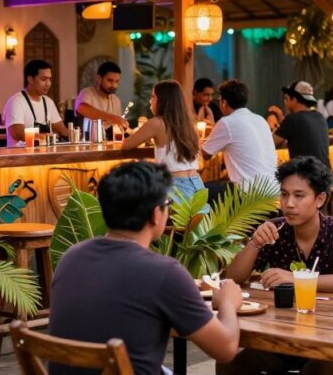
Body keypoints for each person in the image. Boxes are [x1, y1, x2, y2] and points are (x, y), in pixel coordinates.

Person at [49, 161, 242, 375]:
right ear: (155, 214)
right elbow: (225, 350)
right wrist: (228, 303)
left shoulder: (71, 258)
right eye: (168, 203)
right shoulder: (163, 273)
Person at [220, 156, 333, 375]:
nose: (289, 203)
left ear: (320, 199)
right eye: (284, 194)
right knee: (230, 362)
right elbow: (234, 278)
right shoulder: (276, 230)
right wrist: (255, 243)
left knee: (321, 369)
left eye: (299, 196)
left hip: (325, 338)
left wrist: (294, 277)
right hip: (278, 335)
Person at [122, 80, 204, 201]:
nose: (150, 101)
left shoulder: (156, 123)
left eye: (153, 96)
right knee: (198, 220)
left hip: (176, 186)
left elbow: (125, 145)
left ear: (163, 100)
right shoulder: (188, 124)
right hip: (197, 183)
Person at [202, 80, 278, 188]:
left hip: (249, 194)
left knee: (198, 192)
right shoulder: (260, 119)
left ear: (224, 102)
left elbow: (205, 154)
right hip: (273, 189)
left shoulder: (227, 122)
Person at [4, 59, 70, 147]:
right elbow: (17, 133)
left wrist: (74, 134)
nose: (48, 84)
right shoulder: (16, 102)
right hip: (22, 157)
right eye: (44, 79)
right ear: (30, 79)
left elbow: (62, 129)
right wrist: (45, 138)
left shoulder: (48, 102)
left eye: (49, 79)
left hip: (45, 156)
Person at [273, 81, 330, 167]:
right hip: (326, 176)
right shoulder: (320, 117)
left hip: (306, 176)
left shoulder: (293, 118)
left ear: (295, 100)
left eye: (286, 98)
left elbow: (270, 143)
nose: (285, 102)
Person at [74, 61, 129, 135]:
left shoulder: (116, 100)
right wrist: (113, 118)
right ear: (99, 79)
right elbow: (82, 108)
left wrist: (123, 125)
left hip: (111, 142)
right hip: (90, 142)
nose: (114, 85)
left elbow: (118, 127)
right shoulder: (87, 93)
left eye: (117, 81)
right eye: (110, 80)